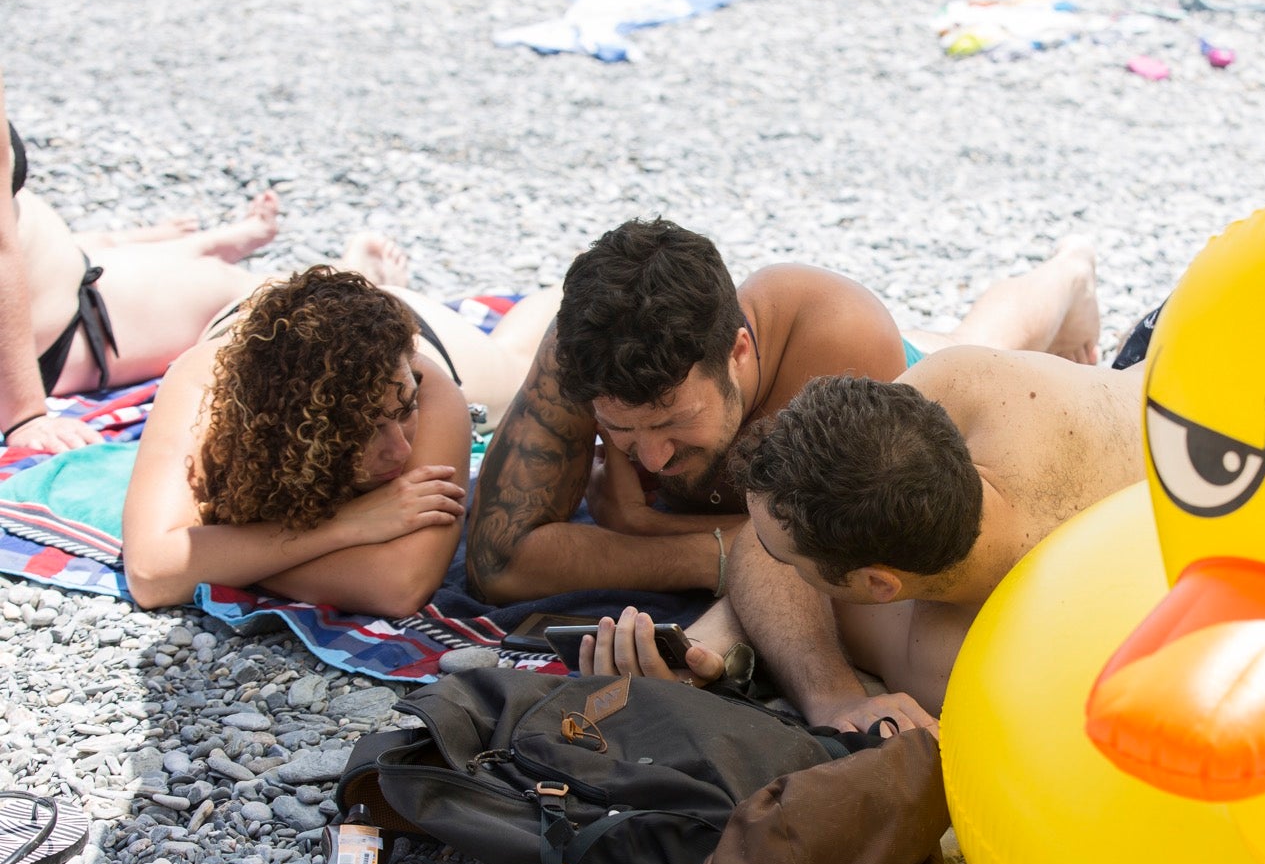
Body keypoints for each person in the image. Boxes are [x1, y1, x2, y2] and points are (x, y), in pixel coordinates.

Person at [466, 216, 1104, 604]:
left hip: (908, 373)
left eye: (670, 424)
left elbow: (845, 561)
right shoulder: (584, 355)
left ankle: (1068, 274)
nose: (653, 457)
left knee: (983, 350)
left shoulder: (836, 341)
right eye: (620, 430)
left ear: (739, 350)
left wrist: (643, 531)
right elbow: (499, 562)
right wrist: (724, 552)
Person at [581, 346, 1148, 733]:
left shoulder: (961, 665)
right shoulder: (970, 384)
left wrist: (830, 698)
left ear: (880, 584)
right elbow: (774, 560)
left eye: (788, 556)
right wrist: (707, 646)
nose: (756, 543)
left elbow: (768, 567)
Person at [2, 72, 559, 450]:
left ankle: (218, 252)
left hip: (83, 293)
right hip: (72, 326)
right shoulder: (206, 402)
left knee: (250, 296)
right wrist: (26, 415)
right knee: (512, 367)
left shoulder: (202, 416)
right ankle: (341, 277)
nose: (396, 447)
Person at [122, 265, 473, 618]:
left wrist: (223, 561)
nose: (401, 450)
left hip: (418, 329)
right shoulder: (207, 382)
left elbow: (396, 586)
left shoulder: (421, 383)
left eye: (405, 412)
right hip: (257, 327)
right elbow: (151, 574)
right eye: (364, 429)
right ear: (284, 425)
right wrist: (347, 524)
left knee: (513, 358)